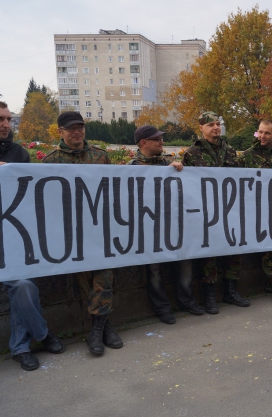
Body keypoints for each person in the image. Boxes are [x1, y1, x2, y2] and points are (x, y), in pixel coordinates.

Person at [0, 100, 64, 370]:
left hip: (17, 236)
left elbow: (33, 196)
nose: (7, 124)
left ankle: (21, 347)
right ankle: (41, 335)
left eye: (9, 119)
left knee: (22, 284)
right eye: (0, 119)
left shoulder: (19, 153)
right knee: (21, 284)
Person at [42, 111, 123, 356]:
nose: (76, 132)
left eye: (80, 127)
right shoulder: (50, 162)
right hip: (71, 234)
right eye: (71, 128)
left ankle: (97, 332)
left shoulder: (101, 156)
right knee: (85, 282)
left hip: (100, 230)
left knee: (104, 277)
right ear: (61, 131)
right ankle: (103, 328)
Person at [128, 125, 205, 323]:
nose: (161, 142)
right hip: (150, 228)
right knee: (154, 270)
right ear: (144, 143)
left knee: (185, 263)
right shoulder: (131, 167)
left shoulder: (168, 162)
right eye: (157, 139)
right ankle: (162, 308)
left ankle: (186, 301)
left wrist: (179, 168)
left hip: (176, 226)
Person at [181, 111, 251, 313]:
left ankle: (230, 291)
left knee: (233, 250)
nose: (216, 128)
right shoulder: (192, 154)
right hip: (205, 213)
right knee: (208, 254)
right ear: (201, 128)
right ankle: (210, 295)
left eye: (218, 124)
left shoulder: (229, 152)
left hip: (229, 211)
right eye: (211, 124)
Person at [238, 120, 272, 304]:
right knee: (267, 250)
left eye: (267, 133)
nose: (262, 136)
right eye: (260, 132)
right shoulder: (247, 156)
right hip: (257, 212)